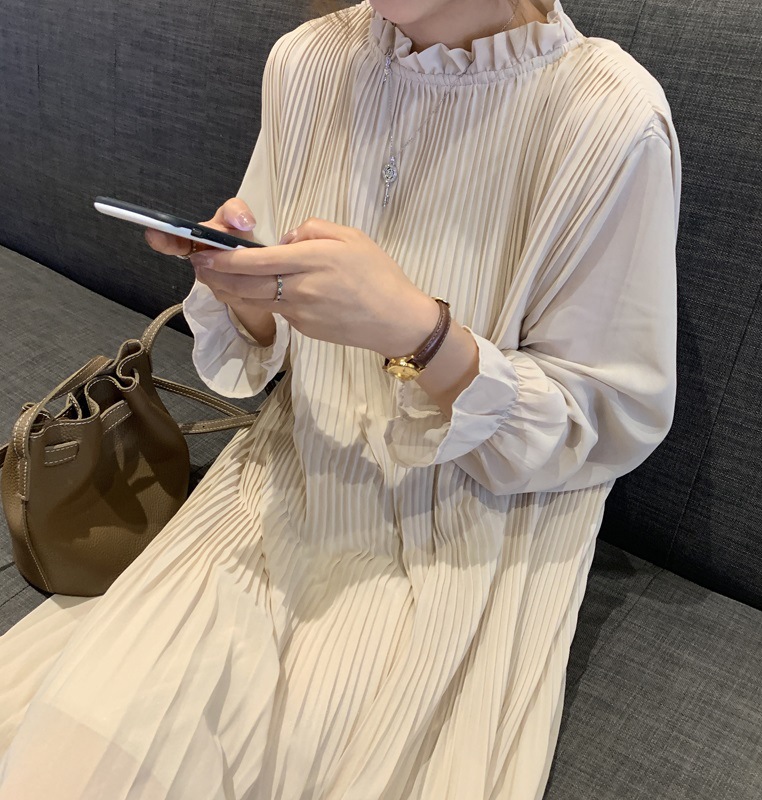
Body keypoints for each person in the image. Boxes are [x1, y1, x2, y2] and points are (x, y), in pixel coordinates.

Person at [0, 0, 680, 797]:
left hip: (468, 538)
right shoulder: (309, 61)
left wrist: (421, 334)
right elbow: (263, 342)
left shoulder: (610, 119)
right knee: (81, 757)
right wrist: (246, 291)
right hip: (282, 487)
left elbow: (608, 419)